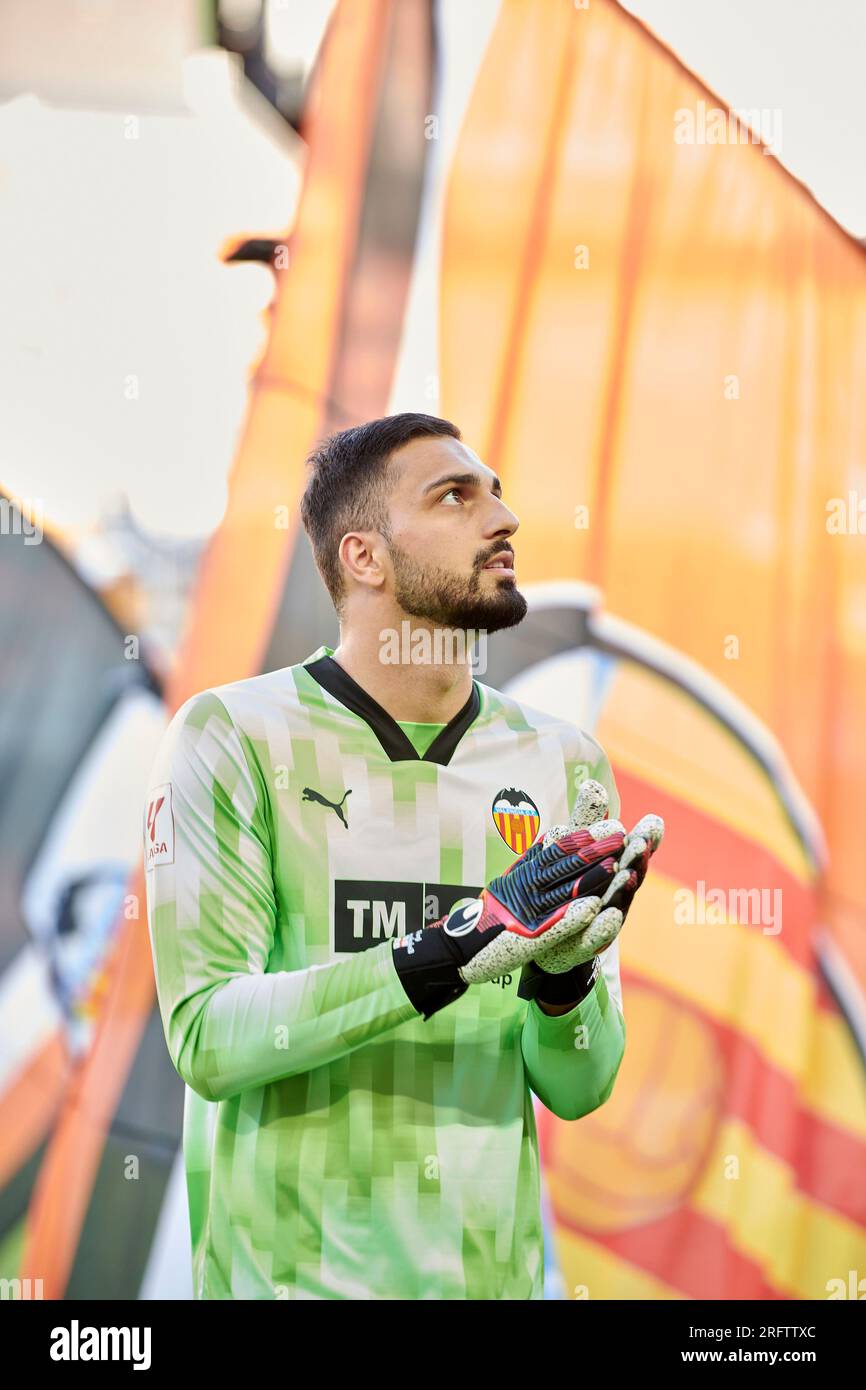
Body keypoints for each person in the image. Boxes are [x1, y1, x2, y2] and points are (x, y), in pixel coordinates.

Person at [143, 412, 659, 1299]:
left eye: (496, 492)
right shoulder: (232, 735)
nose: (502, 519)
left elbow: (577, 1088)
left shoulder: (564, 761)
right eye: (455, 496)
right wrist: (448, 948)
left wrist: (565, 984)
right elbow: (208, 1039)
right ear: (364, 557)